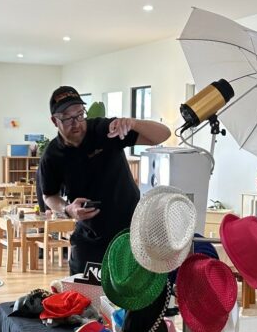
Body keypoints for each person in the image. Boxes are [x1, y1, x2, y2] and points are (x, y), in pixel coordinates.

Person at [38, 86, 171, 274]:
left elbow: (162, 135)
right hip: (90, 236)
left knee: (131, 288)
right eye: (67, 118)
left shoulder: (104, 130)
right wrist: (68, 209)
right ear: (54, 120)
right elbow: (49, 195)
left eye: (80, 115)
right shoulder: (52, 155)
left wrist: (132, 123)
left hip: (130, 231)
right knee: (80, 288)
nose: (76, 123)